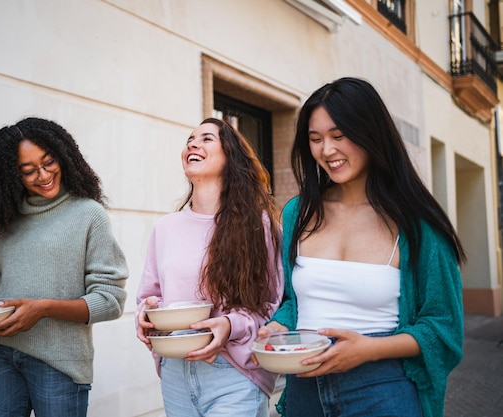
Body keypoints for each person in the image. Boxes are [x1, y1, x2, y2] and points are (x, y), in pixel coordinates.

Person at [260, 77, 465, 417]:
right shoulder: (298, 212)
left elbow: (443, 327)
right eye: (316, 139)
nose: (327, 150)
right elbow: (293, 303)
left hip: (383, 389)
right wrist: (278, 327)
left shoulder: (418, 223)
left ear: (371, 133)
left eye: (339, 136)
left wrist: (368, 350)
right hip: (304, 392)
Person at [0, 117, 128, 417]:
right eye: (28, 171)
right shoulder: (8, 223)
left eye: (49, 162)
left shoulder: (89, 215)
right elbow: (7, 292)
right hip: (1, 354)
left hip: (59, 362)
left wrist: (44, 309)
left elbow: (110, 301)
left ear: (63, 156)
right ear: (13, 176)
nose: (43, 174)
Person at [136, 118, 284, 417]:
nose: (192, 144)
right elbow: (149, 296)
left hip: (234, 373)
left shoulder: (260, 225)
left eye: (206, 139)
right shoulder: (166, 227)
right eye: (190, 139)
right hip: (175, 371)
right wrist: (146, 313)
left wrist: (230, 325)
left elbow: (274, 304)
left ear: (230, 155)